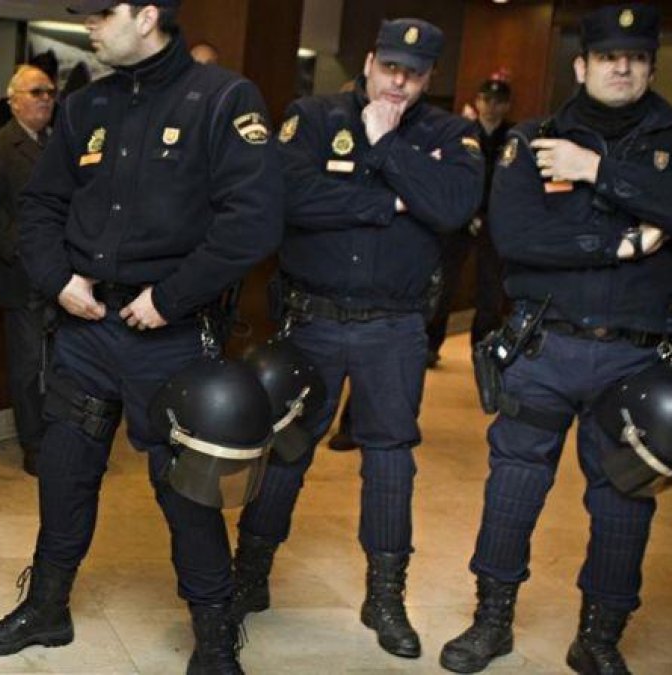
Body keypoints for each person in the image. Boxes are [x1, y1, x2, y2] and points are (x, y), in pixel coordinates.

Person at [0, 2, 283, 672]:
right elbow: (44, 203)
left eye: (100, 11)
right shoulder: (86, 106)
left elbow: (251, 222)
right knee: (64, 473)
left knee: (187, 494)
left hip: (170, 336)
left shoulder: (222, 99)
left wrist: (169, 298)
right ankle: (47, 607)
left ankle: (216, 639)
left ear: (148, 15)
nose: (87, 23)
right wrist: (57, 280)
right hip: (85, 328)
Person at [232, 18, 483, 660]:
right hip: (310, 321)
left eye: (415, 73)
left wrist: (388, 148)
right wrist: (391, 200)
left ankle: (386, 595)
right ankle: (250, 574)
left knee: (390, 459)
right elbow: (290, 198)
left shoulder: (450, 133)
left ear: (430, 77)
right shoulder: (311, 117)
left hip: (394, 328)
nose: (399, 81)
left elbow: (453, 209)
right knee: (287, 448)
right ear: (370, 61)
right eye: (391, 67)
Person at [439, 5, 671, 673]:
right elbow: (517, 241)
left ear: (650, 66)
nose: (620, 67)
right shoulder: (535, 140)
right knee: (512, 488)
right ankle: (491, 621)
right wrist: (624, 241)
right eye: (607, 57)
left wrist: (599, 172)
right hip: (544, 346)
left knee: (624, 502)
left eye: (633, 57)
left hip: (638, 355)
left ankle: (599, 637)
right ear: (582, 65)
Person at [0, 65, 57, 477]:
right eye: (37, 91)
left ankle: (57, 438)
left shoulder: (55, 143)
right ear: (14, 100)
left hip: (61, 272)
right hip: (21, 276)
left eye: (50, 92)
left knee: (59, 362)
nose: (45, 99)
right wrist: (17, 250)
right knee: (27, 366)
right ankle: (34, 444)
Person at [425, 77, 513, 367]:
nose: (491, 107)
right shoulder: (462, 133)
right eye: (486, 100)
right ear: (477, 102)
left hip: (495, 220)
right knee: (444, 285)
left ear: (506, 106)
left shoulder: (512, 138)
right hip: (459, 218)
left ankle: (483, 350)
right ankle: (430, 344)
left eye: (498, 102)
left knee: (490, 289)